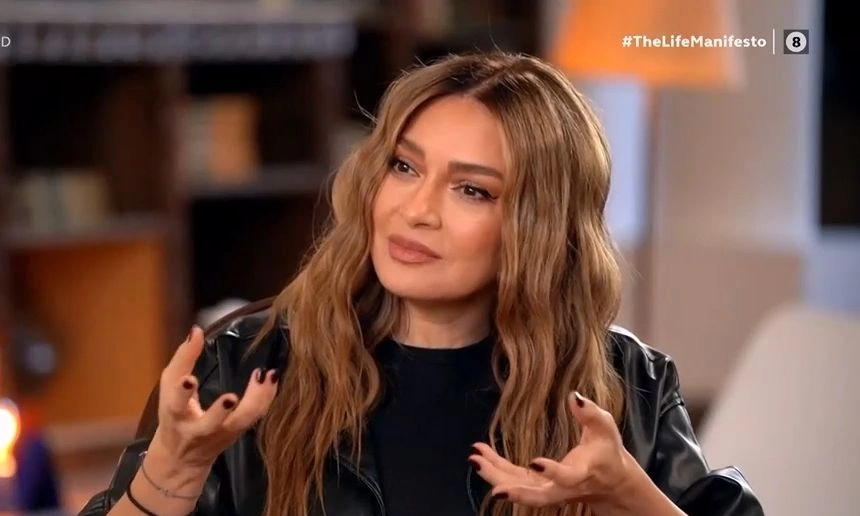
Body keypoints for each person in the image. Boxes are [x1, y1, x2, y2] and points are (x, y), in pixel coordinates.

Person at [80, 52, 763, 516]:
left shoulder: (628, 386)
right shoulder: (244, 364)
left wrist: (630, 500)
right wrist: (173, 470)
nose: (416, 210)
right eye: (404, 168)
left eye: (472, 189)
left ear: (540, 228)